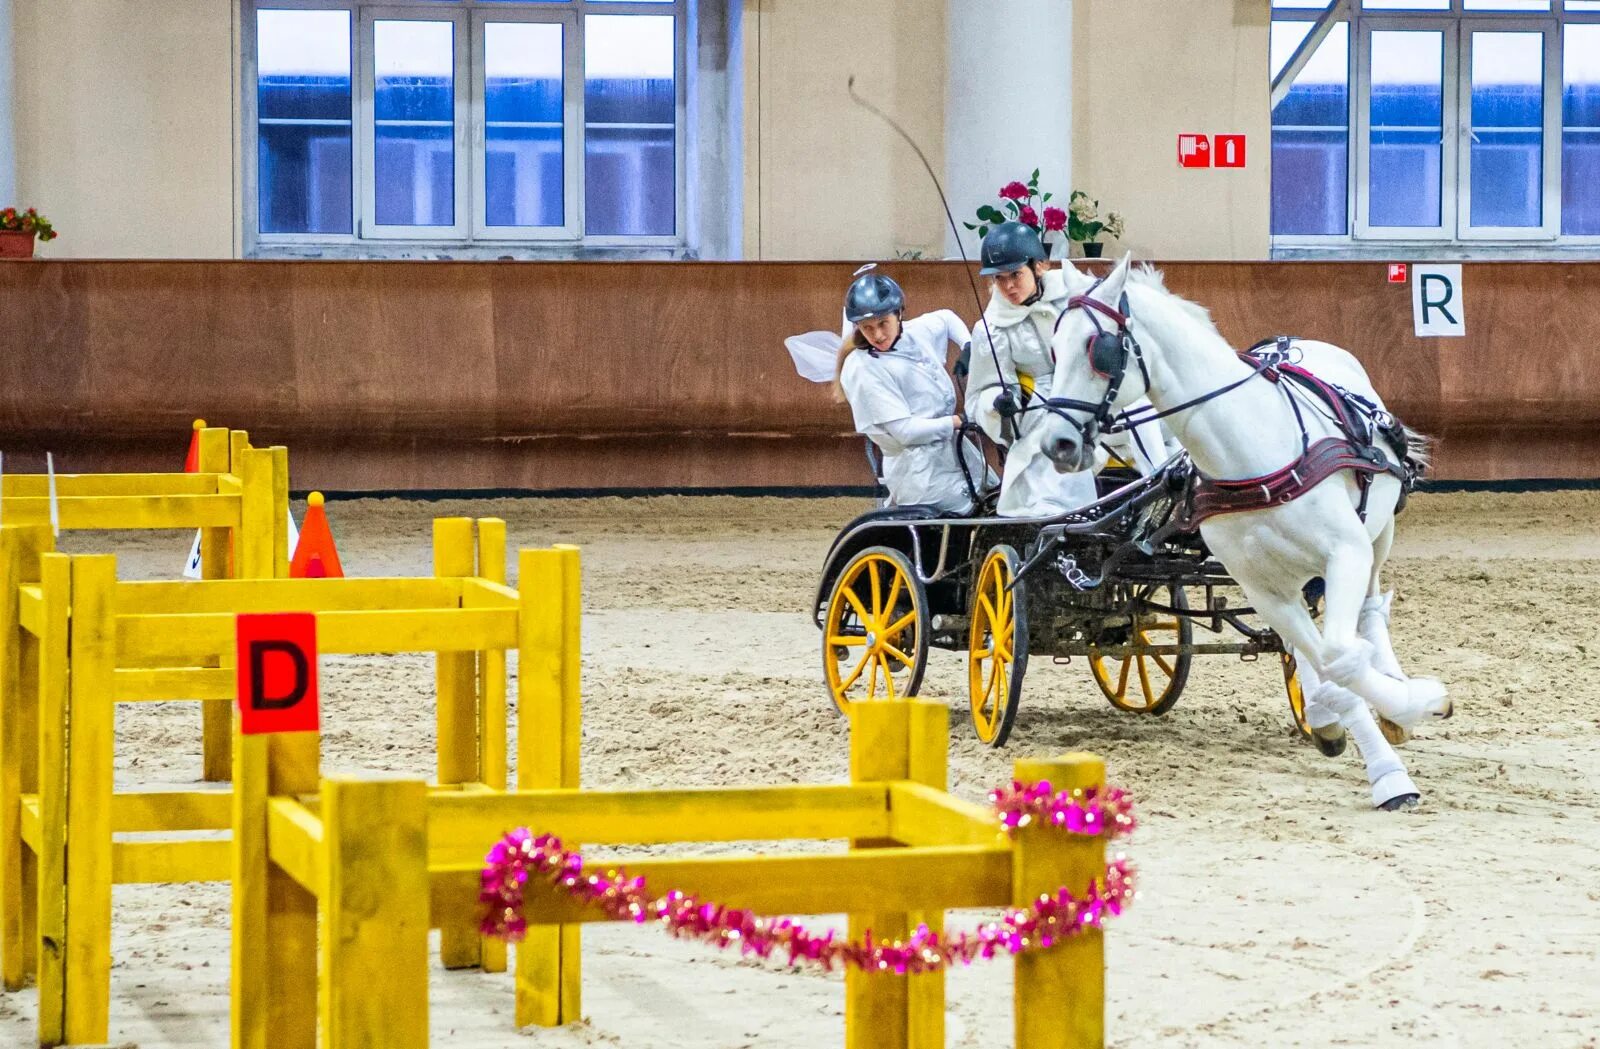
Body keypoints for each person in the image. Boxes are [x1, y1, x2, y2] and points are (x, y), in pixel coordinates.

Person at [964, 222, 1101, 516]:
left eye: (1015, 274)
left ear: (1039, 266)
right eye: (999, 279)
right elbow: (978, 395)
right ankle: (1065, 512)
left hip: (1091, 386)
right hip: (1042, 404)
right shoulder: (991, 328)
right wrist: (997, 403)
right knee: (1055, 440)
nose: (1008, 287)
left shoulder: (1074, 291)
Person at [835, 269, 985, 514]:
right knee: (977, 513)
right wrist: (959, 421)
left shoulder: (915, 332)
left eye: (883, 323)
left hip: (955, 453)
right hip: (919, 473)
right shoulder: (863, 368)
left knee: (997, 499)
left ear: (899, 313)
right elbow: (905, 432)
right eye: (867, 328)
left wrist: (968, 345)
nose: (878, 335)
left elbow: (947, 318)